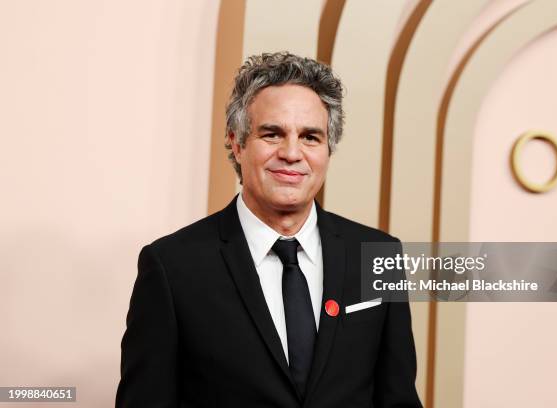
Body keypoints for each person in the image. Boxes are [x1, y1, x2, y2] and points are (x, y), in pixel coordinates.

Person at [116, 52, 422, 407]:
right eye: (272, 133)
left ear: (328, 149)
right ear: (237, 142)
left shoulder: (379, 254)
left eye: (310, 137)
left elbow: (398, 399)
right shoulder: (172, 267)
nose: (292, 153)